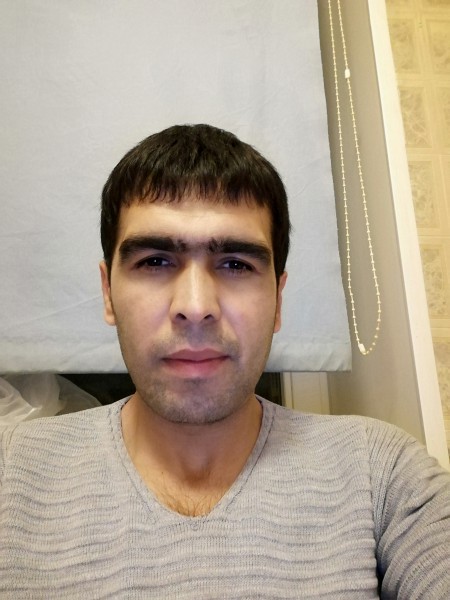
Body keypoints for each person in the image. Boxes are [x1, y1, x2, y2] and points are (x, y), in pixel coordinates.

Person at [0, 124, 449, 599]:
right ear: (108, 292)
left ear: (278, 300)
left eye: (236, 264)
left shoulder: (380, 474)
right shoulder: (13, 471)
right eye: (155, 261)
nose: (196, 307)